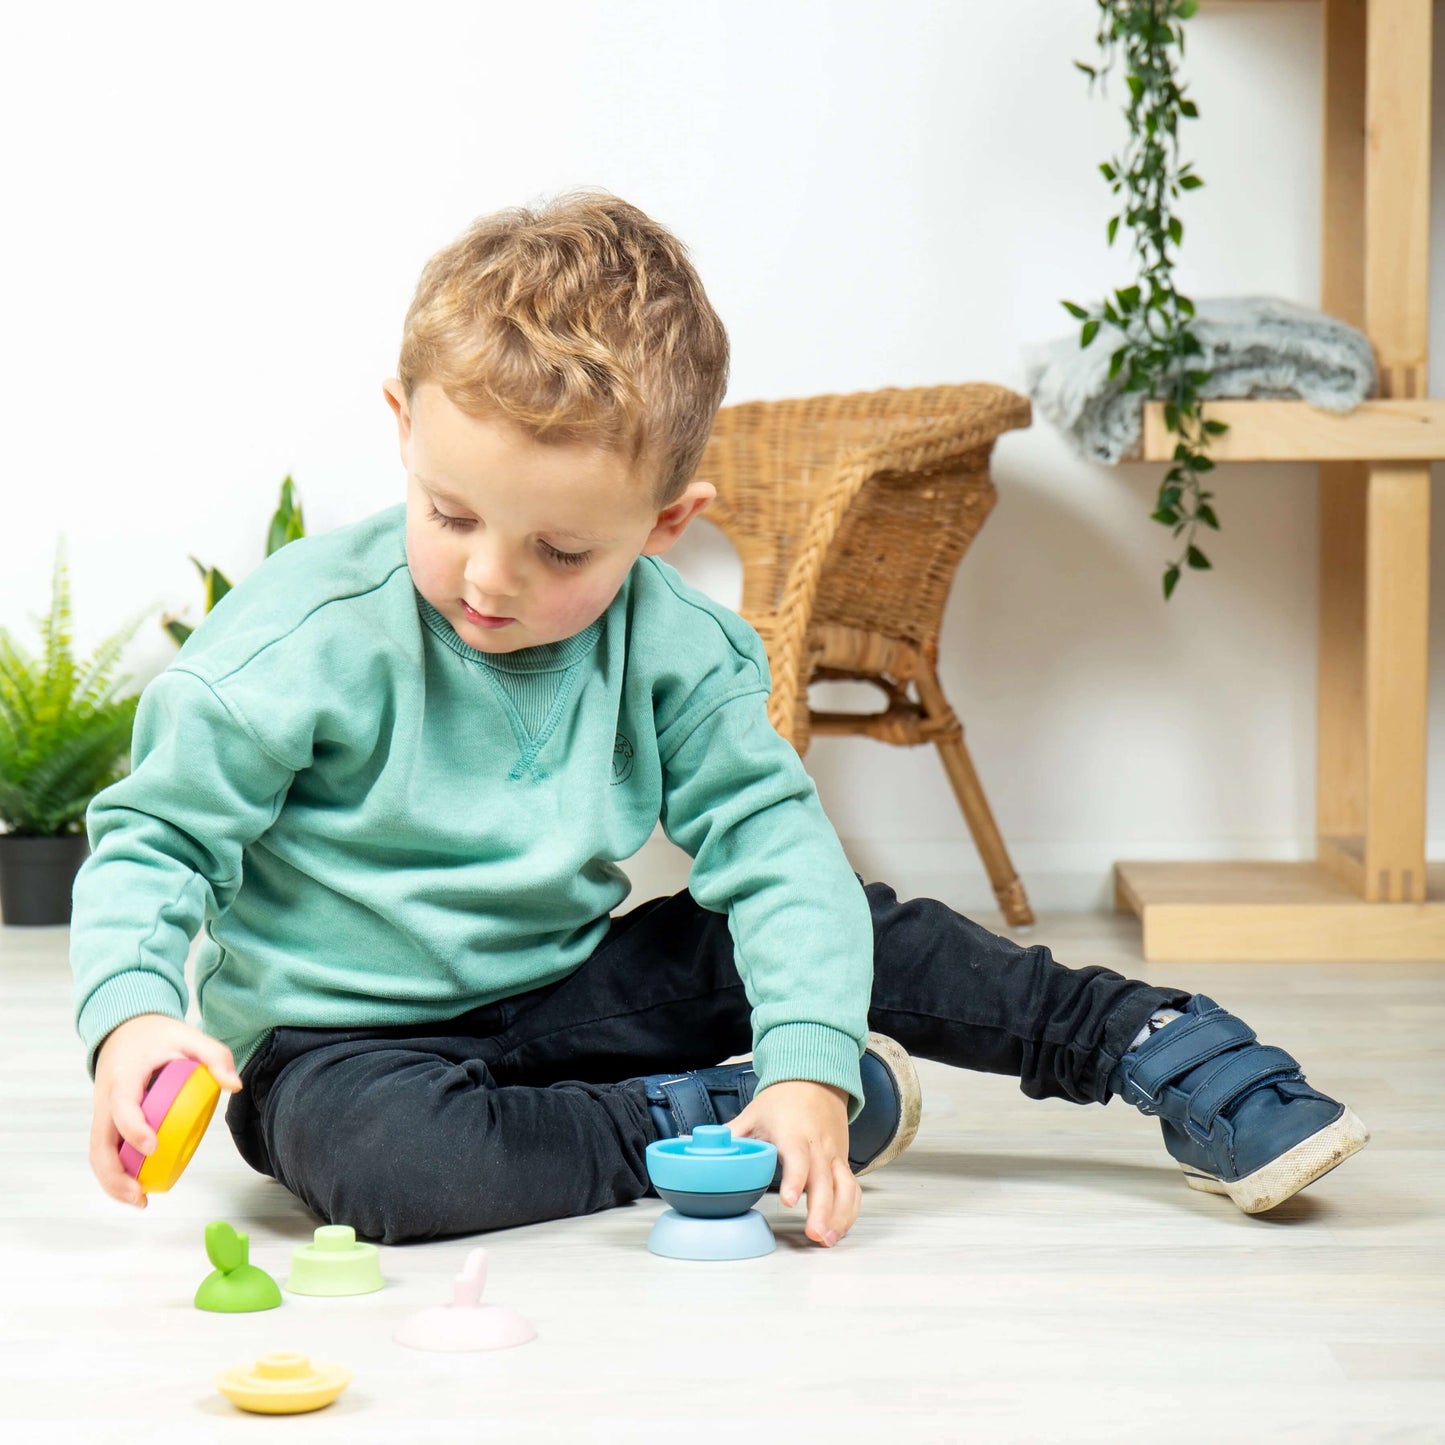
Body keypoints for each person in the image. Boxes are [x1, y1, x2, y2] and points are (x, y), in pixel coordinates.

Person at [71, 190, 1368, 1248]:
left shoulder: (675, 645)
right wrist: (132, 1013)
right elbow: (157, 840)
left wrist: (806, 1041)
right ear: (404, 431)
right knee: (388, 1167)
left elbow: (773, 853)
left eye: (562, 549)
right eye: (451, 515)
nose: (490, 579)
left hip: (566, 995)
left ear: (666, 522)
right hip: (341, 1046)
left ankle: (1148, 1042)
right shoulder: (300, 637)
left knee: (839, 916)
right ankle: (717, 1117)